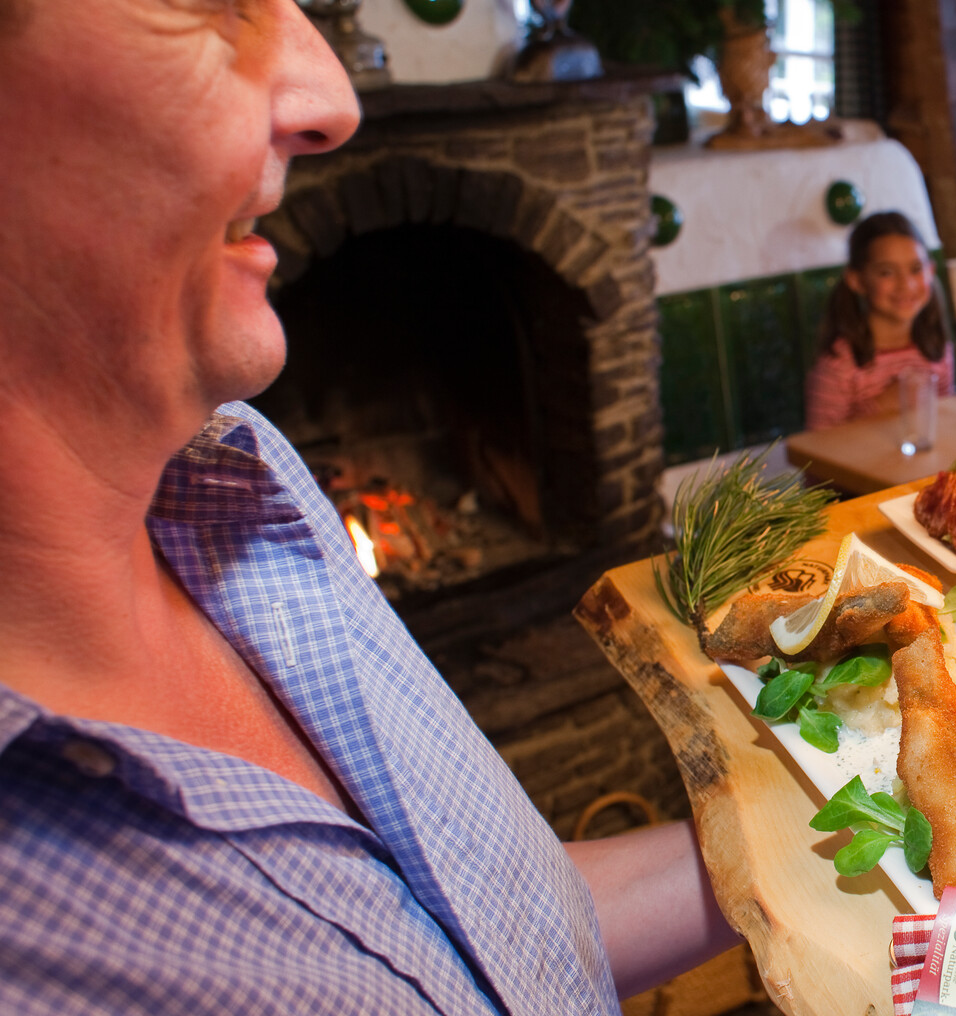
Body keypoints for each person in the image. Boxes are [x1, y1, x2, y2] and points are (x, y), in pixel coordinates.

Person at [0, 1, 736, 1011]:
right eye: (213, 4)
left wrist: (826, 819)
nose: (333, 98)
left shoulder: (246, 478)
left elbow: (504, 942)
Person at [805, 211, 956, 430]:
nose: (906, 285)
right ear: (857, 281)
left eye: (916, 269)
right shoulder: (840, 365)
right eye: (886, 272)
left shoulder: (936, 349)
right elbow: (815, 452)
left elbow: (943, 425)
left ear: (931, 271)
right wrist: (881, 406)